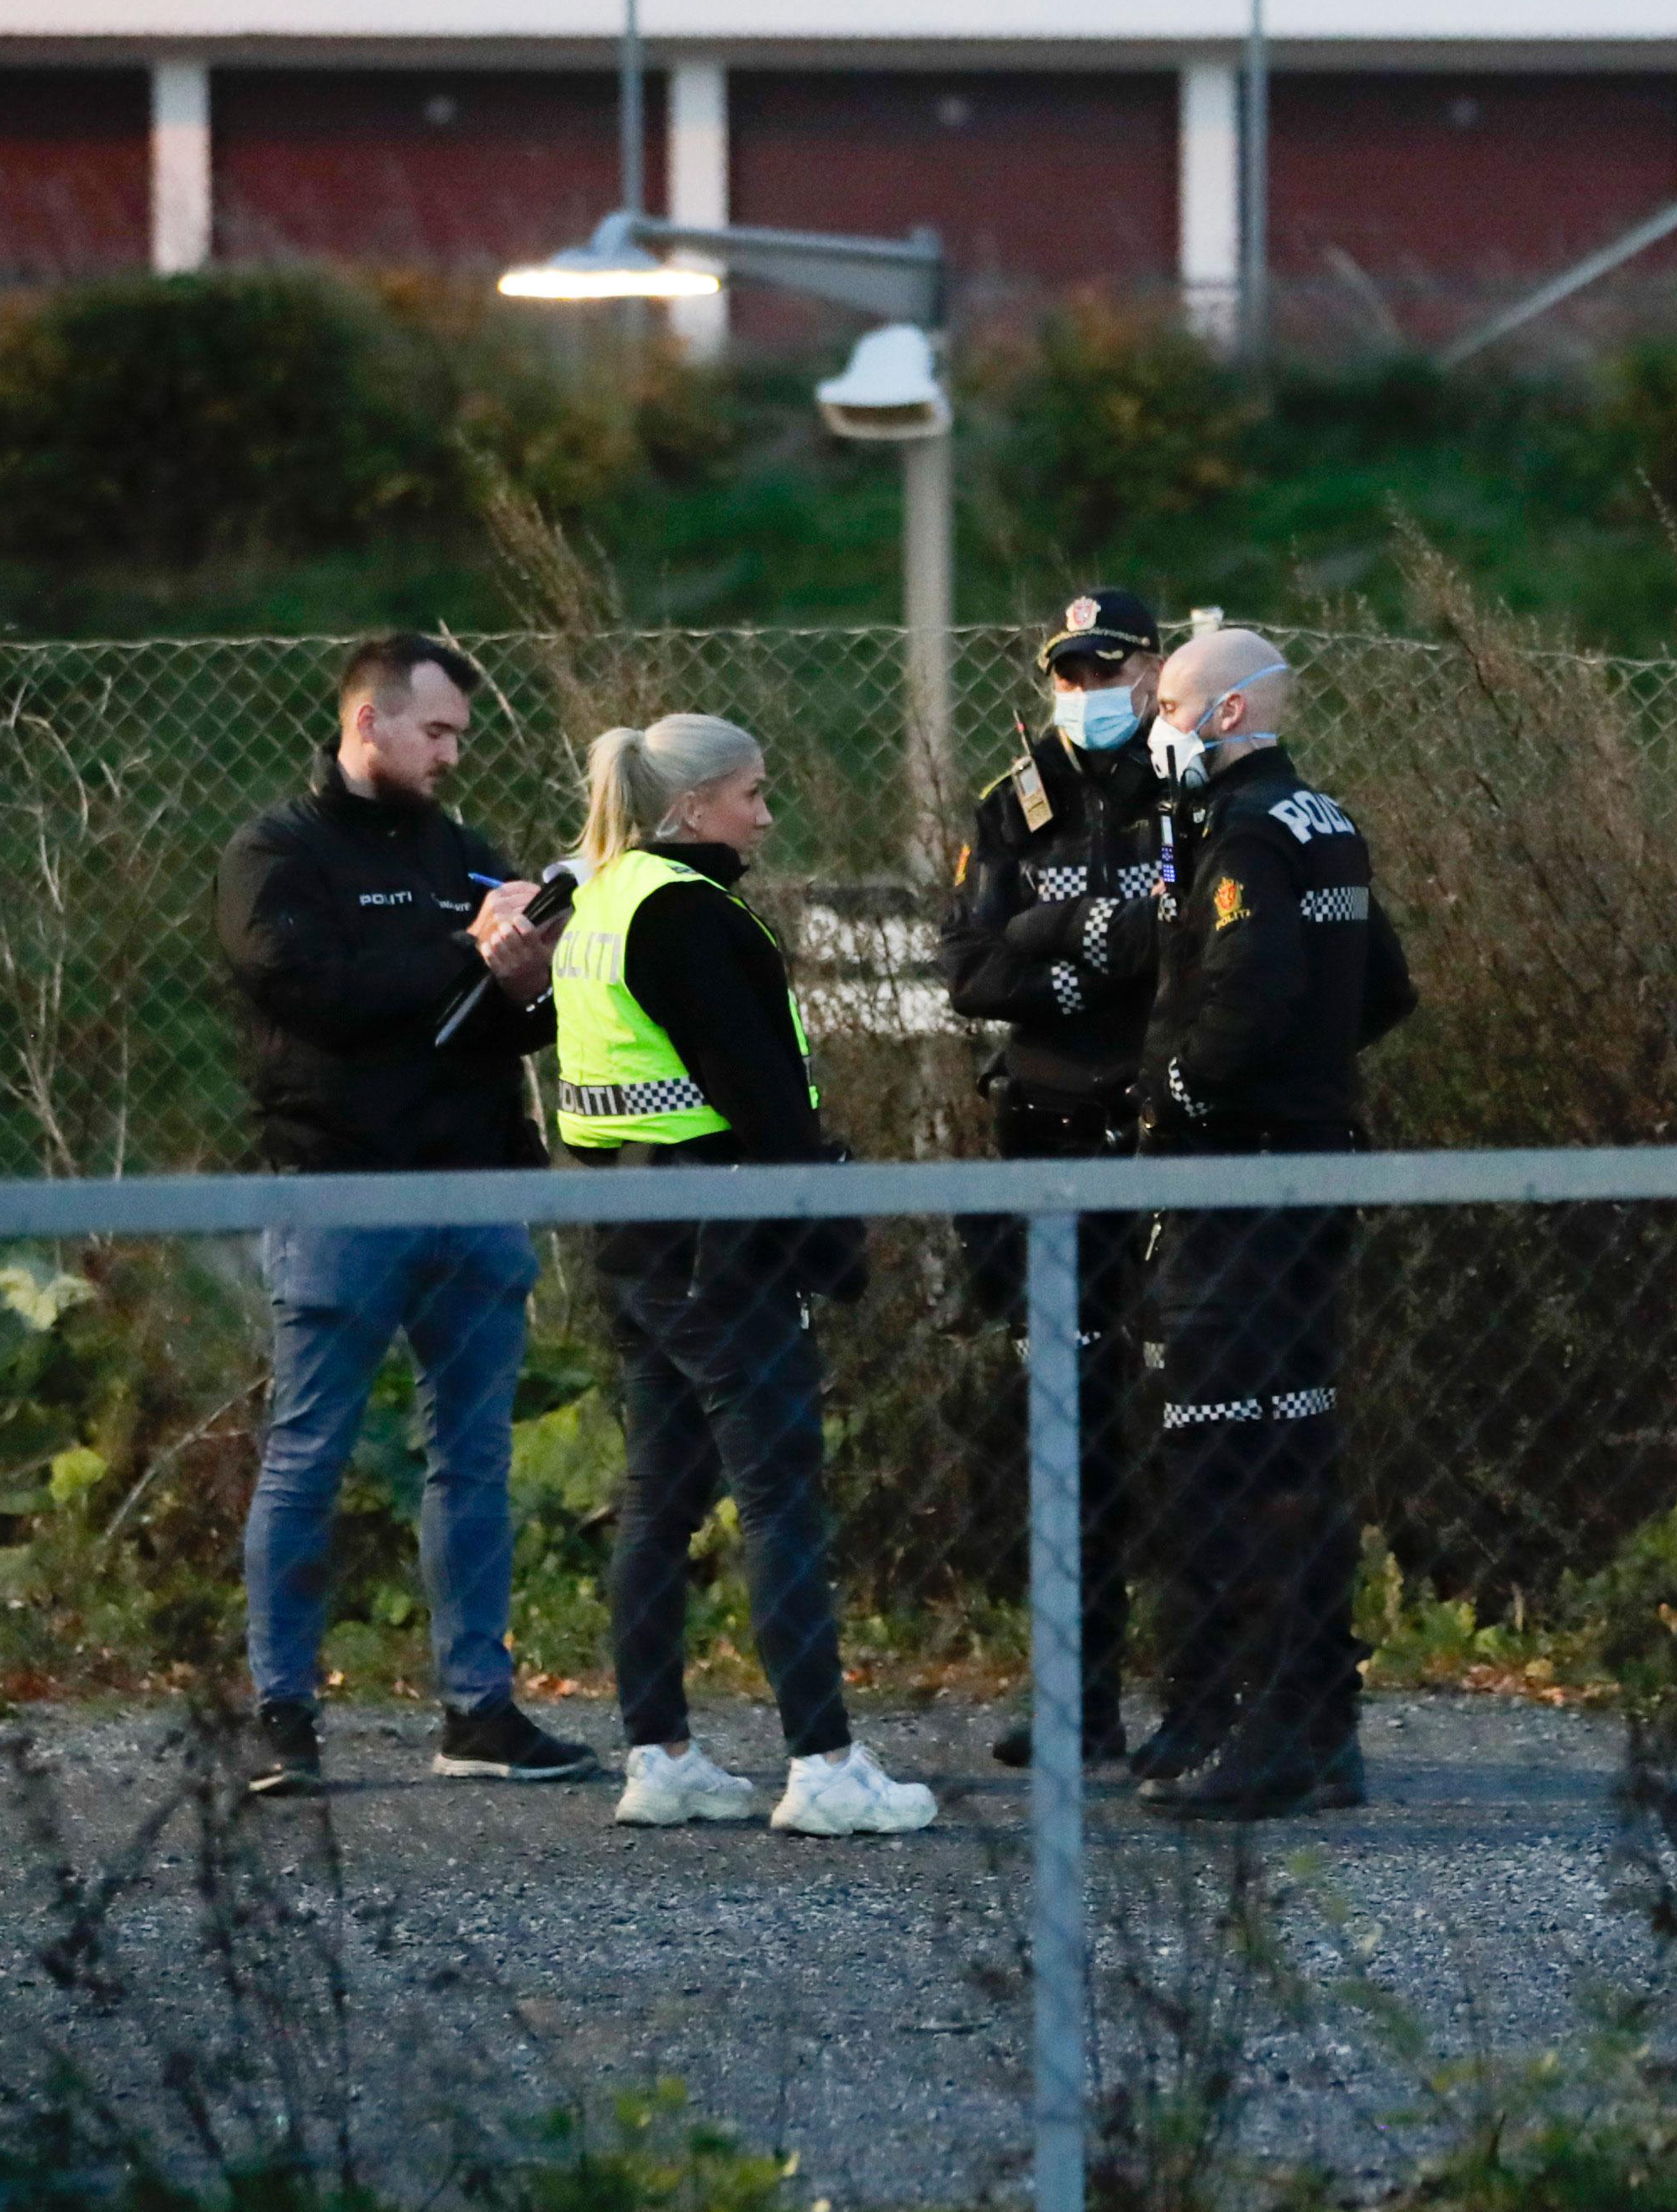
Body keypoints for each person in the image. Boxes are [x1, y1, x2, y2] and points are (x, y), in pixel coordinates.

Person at [217, 632, 596, 1801]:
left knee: (473, 1455)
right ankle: (281, 1710)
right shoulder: (278, 851)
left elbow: (489, 1014)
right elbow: (301, 982)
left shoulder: (465, 854)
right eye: (434, 732)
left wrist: (529, 980)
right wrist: (459, 955)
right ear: (367, 723)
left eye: (460, 738)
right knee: (309, 1452)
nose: (449, 755)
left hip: (474, 1188)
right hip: (339, 1189)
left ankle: (478, 1706)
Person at [552, 711, 939, 1841]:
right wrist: (831, 1236)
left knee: (659, 1498)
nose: (766, 816)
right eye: (752, 794)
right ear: (690, 807)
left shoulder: (601, 901)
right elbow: (765, 1098)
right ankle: (821, 1760)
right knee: (780, 1497)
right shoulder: (687, 914)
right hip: (721, 1242)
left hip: (631, 1234)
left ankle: (658, 1750)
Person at [1131, 626, 1416, 1821]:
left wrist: (1185, 1092)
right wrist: (1310, 1075)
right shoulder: (1328, 821)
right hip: (1314, 1163)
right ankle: (1312, 1722)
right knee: (1294, 1444)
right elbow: (1383, 984)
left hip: (1239, 1184)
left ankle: (1264, 1720)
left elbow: (1254, 989)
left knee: (1227, 1447)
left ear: (1229, 714)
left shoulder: (1245, 834)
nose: (1158, 725)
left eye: (1173, 706)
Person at [937, 588, 1171, 1770]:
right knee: (1062, 1431)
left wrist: (1058, 948)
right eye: (1071, 674)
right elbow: (972, 972)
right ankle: (1077, 1695)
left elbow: (1187, 950)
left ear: (1156, 669)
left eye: (1112, 668)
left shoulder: (1187, 798)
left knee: (1178, 1420)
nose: (1090, 692)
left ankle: (1196, 1689)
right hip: (1042, 1142)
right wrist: (1084, 965)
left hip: (1157, 1143)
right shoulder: (1011, 805)